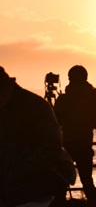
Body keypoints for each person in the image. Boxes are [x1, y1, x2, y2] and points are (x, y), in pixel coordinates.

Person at [0, 67, 64, 207]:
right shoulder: (35, 106)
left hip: (31, 194)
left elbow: (51, 148)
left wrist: (16, 173)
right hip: (12, 192)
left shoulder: (36, 107)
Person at [53, 65, 96, 207]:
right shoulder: (92, 99)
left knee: (61, 181)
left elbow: (55, 121)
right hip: (85, 143)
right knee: (87, 181)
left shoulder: (63, 99)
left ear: (70, 79)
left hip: (66, 144)